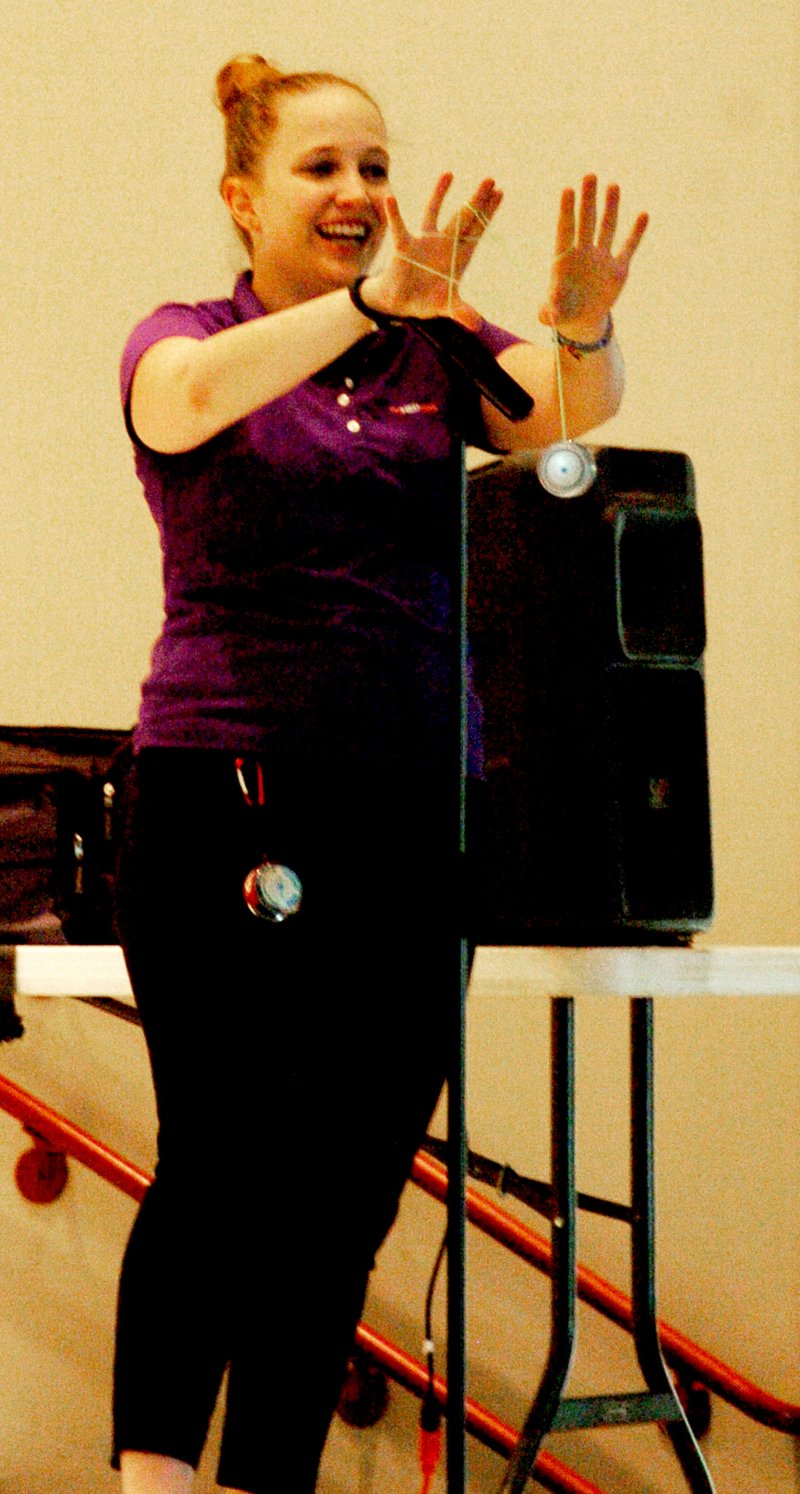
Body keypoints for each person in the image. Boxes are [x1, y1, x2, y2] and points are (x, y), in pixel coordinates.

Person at [112, 52, 648, 1494]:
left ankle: (263, 1480)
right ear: (242, 196)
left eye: (373, 166)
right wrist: (360, 306)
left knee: (343, 1194)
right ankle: (153, 1481)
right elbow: (179, 406)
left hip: (412, 810)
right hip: (226, 793)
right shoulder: (191, 333)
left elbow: (556, 411)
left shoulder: (431, 347)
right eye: (320, 168)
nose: (357, 193)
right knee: (224, 1165)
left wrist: (582, 333)